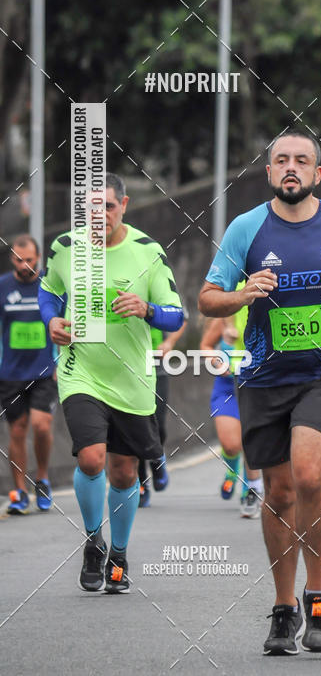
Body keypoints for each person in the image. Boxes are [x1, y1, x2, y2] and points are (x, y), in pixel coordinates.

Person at [198, 131, 321, 655]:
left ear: (317, 173)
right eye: (281, 160)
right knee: (279, 492)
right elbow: (207, 299)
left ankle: (319, 597)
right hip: (263, 378)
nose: (291, 168)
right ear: (268, 172)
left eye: (301, 161)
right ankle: (284, 607)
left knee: (310, 475)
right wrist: (243, 292)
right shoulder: (246, 229)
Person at [39, 173, 184, 594]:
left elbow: (177, 316)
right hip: (80, 369)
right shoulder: (66, 247)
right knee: (90, 458)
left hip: (132, 376)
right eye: (90, 208)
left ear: (124, 206)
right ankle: (92, 541)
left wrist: (147, 308)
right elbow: (48, 292)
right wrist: (51, 319)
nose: (99, 215)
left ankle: (118, 552)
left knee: (123, 473)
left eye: (108, 206)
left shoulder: (147, 252)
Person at [0, 235, 58, 514]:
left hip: (44, 370)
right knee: (18, 429)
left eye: (30, 260)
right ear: (12, 258)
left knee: (42, 425)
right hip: (10, 373)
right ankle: (19, 491)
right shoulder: (2, 287)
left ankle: (43, 478)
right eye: (18, 260)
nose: (24, 266)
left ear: (39, 257)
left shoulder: (51, 284)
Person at [200, 306, 264, 519]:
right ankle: (232, 467)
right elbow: (206, 346)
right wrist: (217, 360)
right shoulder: (227, 319)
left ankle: (250, 490)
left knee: (250, 440)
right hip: (227, 388)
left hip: (256, 386)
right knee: (231, 444)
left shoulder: (266, 313)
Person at [138, 314, 188, 508]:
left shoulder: (158, 285)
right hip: (128, 369)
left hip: (157, 368)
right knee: (134, 426)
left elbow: (183, 318)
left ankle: (157, 457)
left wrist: (169, 342)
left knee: (157, 423)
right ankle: (141, 483)